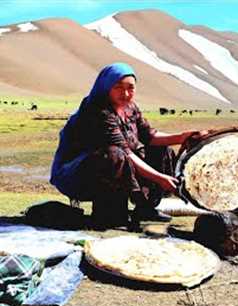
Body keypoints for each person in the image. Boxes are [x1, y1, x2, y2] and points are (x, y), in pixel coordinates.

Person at [50, 62, 206, 230]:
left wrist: (182, 137)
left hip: (118, 164)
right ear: (106, 87)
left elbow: (149, 136)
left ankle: (145, 209)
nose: (125, 94)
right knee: (114, 155)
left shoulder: (130, 108)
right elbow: (125, 153)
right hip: (76, 175)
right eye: (118, 87)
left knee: (163, 150)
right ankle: (110, 213)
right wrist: (160, 178)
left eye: (130, 88)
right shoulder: (96, 110)